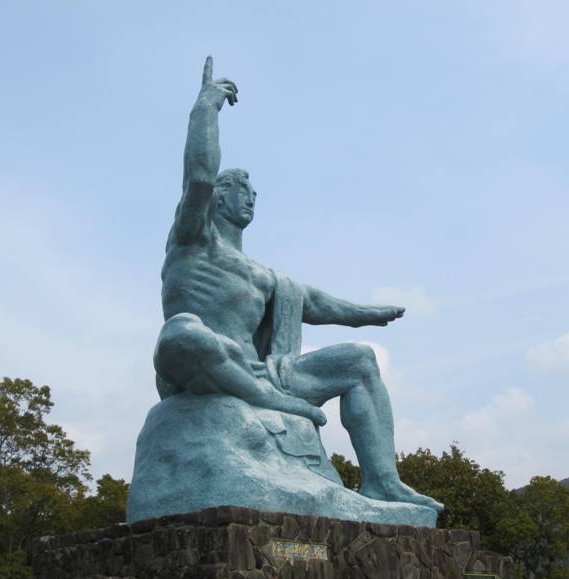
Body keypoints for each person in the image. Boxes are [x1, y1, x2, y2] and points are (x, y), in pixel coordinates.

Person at [153, 57, 442, 512]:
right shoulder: (193, 240)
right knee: (183, 331)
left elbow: (315, 302)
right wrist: (204, 110)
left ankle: (383, 482)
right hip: (200, 369)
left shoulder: (262, 274)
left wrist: (369, 315)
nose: (250, 197)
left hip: (264, 374)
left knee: (360, 362)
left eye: (255, 194)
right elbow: (199, 179)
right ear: (221, 196)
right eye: (241, 190)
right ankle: (277, 405)